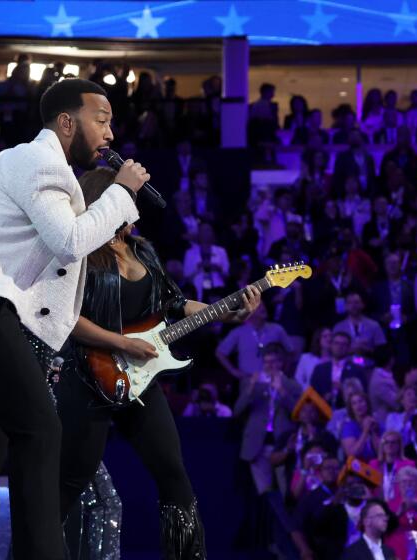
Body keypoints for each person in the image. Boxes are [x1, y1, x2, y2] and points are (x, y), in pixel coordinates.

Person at [0, 79, 146, 560]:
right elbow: (70, 239)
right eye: (102, 119)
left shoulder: (6, 162)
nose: (110, 133)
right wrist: (123, 194)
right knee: (40, 432)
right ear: (67, 122)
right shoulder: (42, 164)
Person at [55, 166, 260, 559]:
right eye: (129, 199)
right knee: (70, 482)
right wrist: (122, 344)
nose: (136, 208)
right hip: (88, 377)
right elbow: (65, 318)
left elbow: (175, 304)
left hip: (141, 380)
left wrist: (228, 312)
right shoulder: (79, 254)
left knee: (173, 473)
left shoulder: (143, 249)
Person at [234, 344, 301, 495]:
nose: (269, 365)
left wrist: (281, 391)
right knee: (264, 494)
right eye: (266, 362)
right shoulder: (252, 384)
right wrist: (251, 387)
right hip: (258, 444)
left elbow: (298, 413)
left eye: (273, 362)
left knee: (285, 493)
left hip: (282, 444)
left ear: (281, 363)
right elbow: (237, 411)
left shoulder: (292, 386)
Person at [384, 465, 417, 560]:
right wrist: (399, 513)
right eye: (404, 482)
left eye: (412, 482)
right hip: (395, 554)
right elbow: (384, 528)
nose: (408, 485)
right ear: (398, 485)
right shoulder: (390, 505)